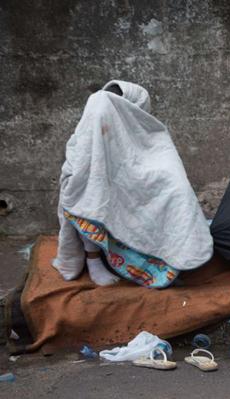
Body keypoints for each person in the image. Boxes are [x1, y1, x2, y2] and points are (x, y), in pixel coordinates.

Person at [52, 80, 213, 288]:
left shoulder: (145, 131)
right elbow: (79, 168)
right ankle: (94, 260)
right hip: (99, 204)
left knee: (177, 191)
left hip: (134, 192)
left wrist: (166, 186)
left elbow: (161, 162)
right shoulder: (96, 114)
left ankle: (163, 260)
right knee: (85, 194)